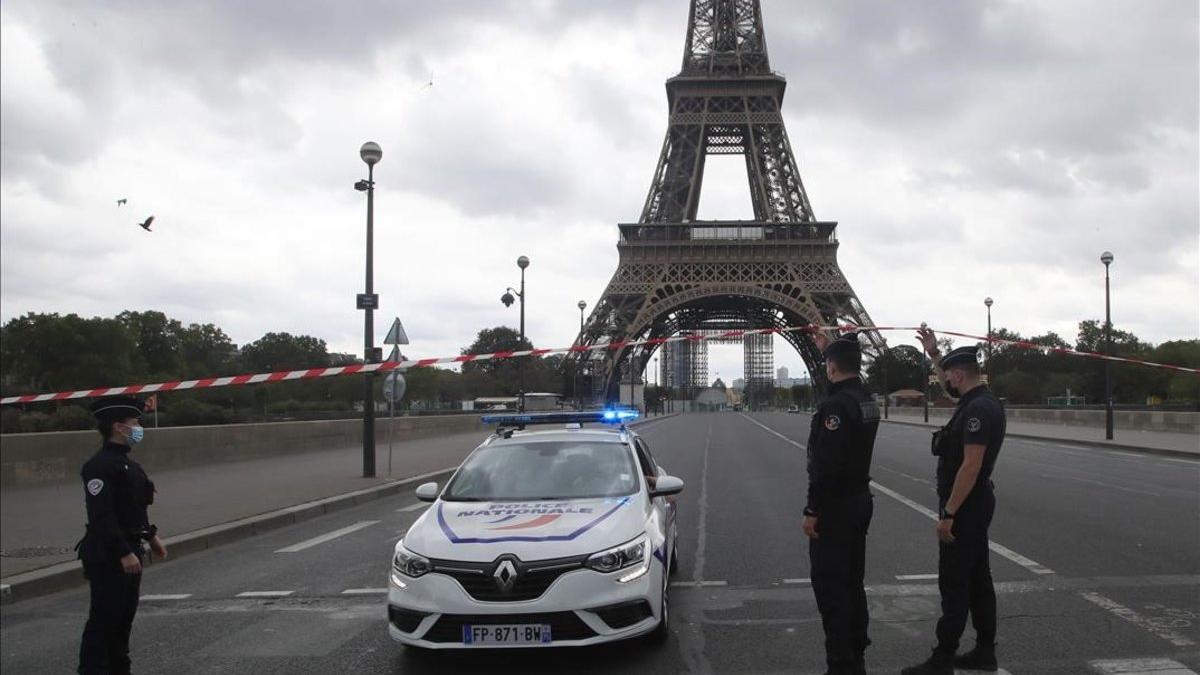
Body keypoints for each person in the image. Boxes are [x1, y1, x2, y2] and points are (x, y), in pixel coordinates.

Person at [902, 329, 1006, 674]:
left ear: (959, 374)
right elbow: (949, 392)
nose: (946, 380)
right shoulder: (980, 400)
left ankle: (943, 658)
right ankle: (985, 651)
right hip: (975, 504)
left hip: (966, 506)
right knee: (978, 579)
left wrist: (949, 513)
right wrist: (934, 354)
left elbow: (971, 465)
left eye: (949, 375)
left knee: (955, 582)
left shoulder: (977, 410)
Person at [803, 331, 880, 675]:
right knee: (852, 582)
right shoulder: (865, 400)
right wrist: (829, 350)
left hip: (835, 507)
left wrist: (812, 509)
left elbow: (827, 466)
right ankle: (856, 654)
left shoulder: (835, 406)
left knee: (831, 587)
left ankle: (841, 665)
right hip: (860, 499)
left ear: (831, 367)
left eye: (828, 364)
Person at [77, 395, 167, 675]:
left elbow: (133, 510)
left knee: (122, 621)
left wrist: (151, 537)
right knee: (104, 621)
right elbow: (101, 515)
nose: (139, 427)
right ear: (119, 427)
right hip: (108, 555)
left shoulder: (129, 464)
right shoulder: (100, 466)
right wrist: (123, 552)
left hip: (129, 549)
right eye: (135, 422)